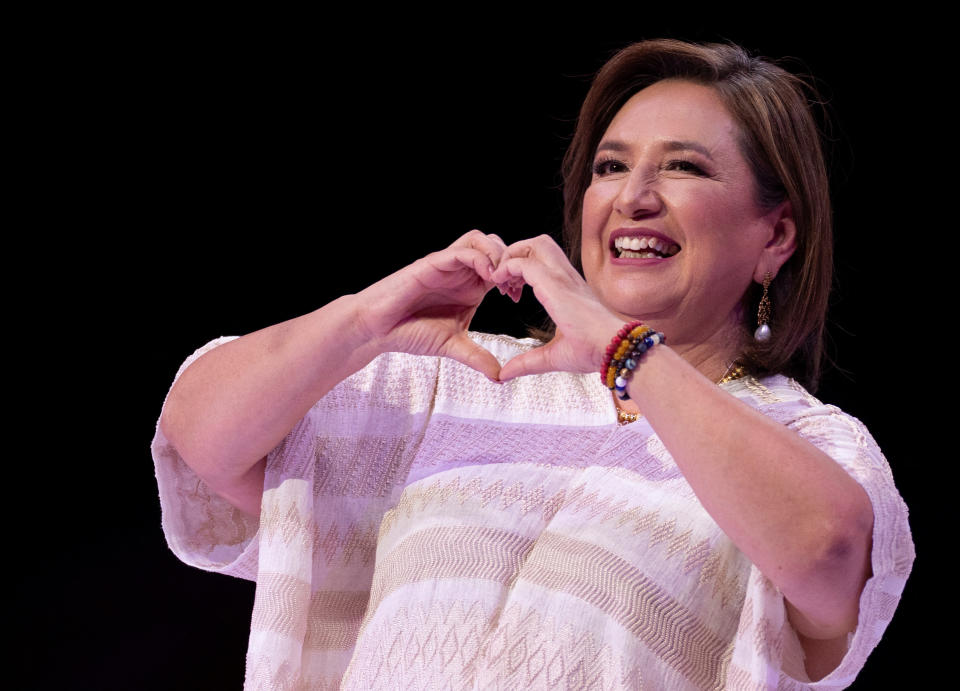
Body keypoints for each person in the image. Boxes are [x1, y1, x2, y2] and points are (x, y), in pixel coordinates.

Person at [152, 39, 913, 689]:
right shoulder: (456, 379)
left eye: (684, 168)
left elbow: (828, 550)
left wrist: (621, 348)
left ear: (776, 236)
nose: (635, 198)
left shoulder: (809, 443)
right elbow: (200, 432)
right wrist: (365, 319)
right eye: (611, 167)